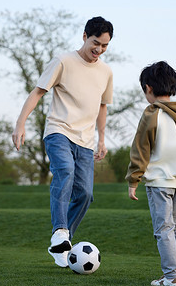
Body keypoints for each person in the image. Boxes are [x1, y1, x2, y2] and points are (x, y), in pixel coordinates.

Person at [12, 16, 114, 268]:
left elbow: (103, 106)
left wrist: (102, 139)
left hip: (86, 141)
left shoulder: (106, 72)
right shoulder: (63, 61)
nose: (99, 50)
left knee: (86, 194)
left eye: (104, 46)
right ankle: (60, 231)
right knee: (64, 171)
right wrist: (20, 124)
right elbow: (37, 92)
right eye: (95, 43)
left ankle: (62, 242)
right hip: (58, 131)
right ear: (84, 36)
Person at [125, 61, 176, 286]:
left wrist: (133, 180)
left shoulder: (151, 113)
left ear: (148, 88)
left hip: (160, 180)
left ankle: (171, 277)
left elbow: (141, 148)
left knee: (164, 229)